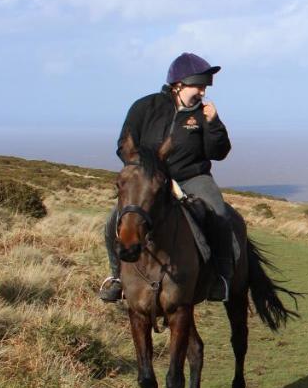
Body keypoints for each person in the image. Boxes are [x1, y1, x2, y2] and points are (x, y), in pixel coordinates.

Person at [98, 52, 234, 303]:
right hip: (149, 181)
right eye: (199, 86)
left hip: (192, 178)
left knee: (220, 214)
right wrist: (145, 173)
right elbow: (124, 146)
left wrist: (214, 123)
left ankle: (221, 278)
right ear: (179, 84)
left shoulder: (204, 114)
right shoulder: (144, 107)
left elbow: (219, 152)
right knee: (111, 222)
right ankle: (117, 277)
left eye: (205, 87)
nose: (203, 92)